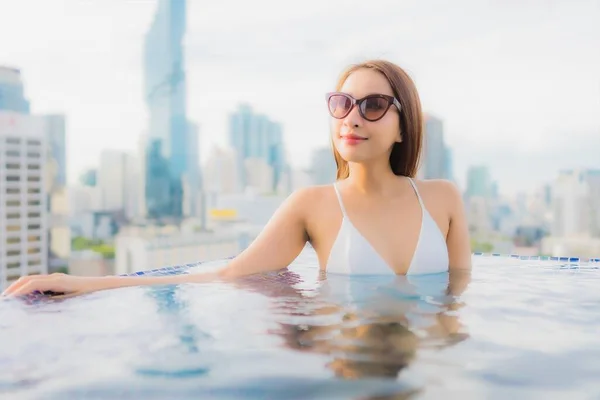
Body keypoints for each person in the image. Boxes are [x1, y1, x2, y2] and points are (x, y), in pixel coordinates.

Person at [2, 59, 471, 298]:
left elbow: (460, 301)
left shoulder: (443, 199)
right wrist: (82, 284)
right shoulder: (313, 205)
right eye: (341, 104)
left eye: (372, 106)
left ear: (404, 125)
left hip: (424, 372)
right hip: (343, 367)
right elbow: (226, 275)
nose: (351, 118)